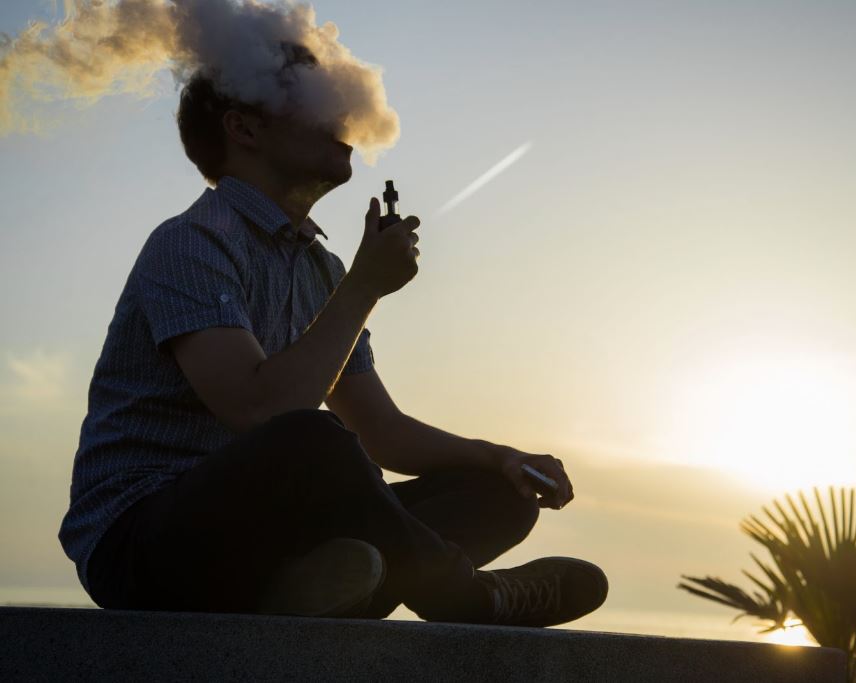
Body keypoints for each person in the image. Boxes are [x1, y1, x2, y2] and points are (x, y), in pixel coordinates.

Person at [57, 46, 608, 627]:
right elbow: (259, 410)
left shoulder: (321, 269)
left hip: (266, 539)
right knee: (310, 437)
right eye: (311, 101)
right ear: (244, 127)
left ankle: (317, 593)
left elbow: (382, 433)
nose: (340, 114)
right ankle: (466, 597)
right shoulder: (191, 242)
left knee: (497, 495)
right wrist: (365, 287)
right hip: (145, 543)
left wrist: (502, 459)